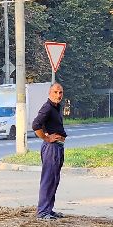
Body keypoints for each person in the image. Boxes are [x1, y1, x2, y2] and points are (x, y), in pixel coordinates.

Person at [30, 81, 66, 219]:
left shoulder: (56, 107)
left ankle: (48, 210)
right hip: (51, 148)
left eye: (60, 92)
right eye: (55, 92)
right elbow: (35, 125)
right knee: (48, 179)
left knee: (54, 179)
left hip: (58, 147)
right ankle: (42, 212)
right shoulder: (47, 107)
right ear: (49, 93)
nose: (58, 95)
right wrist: (46, 138)